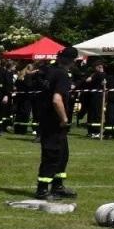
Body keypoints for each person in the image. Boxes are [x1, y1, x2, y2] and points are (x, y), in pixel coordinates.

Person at [33, 45, 78, 199]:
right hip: (54, 121)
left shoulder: (50, 71)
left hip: (47, 118)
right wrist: (64, 119)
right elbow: (57, 100)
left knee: (62, 154)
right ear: (73, 61)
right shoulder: (62, 75)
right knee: (52, 154)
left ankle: (58, 186)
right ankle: (42, 189)